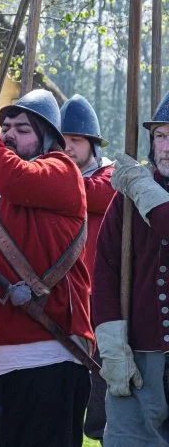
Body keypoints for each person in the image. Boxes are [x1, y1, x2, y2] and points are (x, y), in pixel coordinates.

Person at [0, 89, 93, 447]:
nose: (8, 134)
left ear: (47, 138)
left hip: (49, 350)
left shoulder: (62, 170)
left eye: (22, 128)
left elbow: (16, 180)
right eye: (4, 127)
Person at [92, 93, 169, 446]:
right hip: (142, 355)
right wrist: (113, 348)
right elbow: (106, 273)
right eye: (160, 136)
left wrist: (141, 187)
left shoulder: (135, 189)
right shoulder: (125, 201)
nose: (166, 146)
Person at [60, 93, 115, 443]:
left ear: (92, 144)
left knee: (103, 397)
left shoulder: (109, 178)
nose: (67, 148)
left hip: (101, 304)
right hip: (62, 302)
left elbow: (91, 194)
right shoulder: (58, 182)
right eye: (61, 141)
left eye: (75, 141)